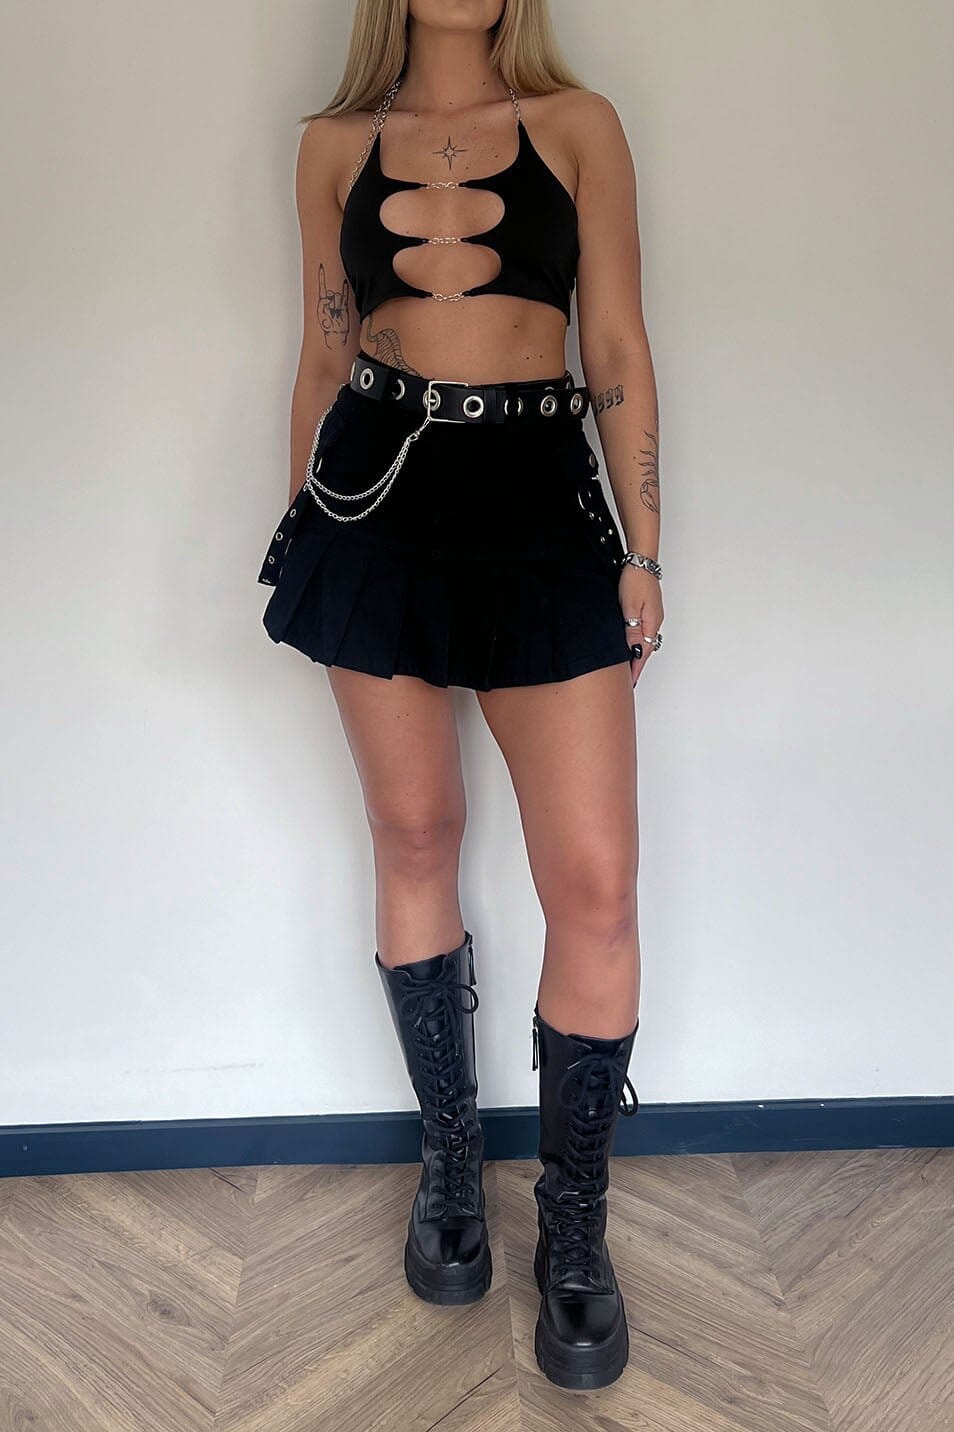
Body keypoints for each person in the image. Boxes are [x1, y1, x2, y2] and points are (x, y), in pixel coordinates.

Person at [256, 0, 662, 1392]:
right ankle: (448, 1166)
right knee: (416, 836)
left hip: (541, 500)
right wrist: (301, 535)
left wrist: (642, 548)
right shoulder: (330, 146)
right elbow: (324, 353)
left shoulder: (578, 126)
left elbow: (616, 346)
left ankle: (573, 1231)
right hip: (373, 496)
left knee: (595, 885)